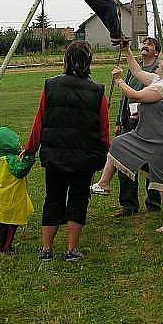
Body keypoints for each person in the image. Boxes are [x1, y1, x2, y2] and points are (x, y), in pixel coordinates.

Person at [24, 41, 109, 261]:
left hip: (55, 155)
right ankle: (71, 250)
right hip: (84, 157)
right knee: (78, 200)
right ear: (89, 61)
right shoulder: (97, 91)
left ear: (66, 60)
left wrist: (30, 149)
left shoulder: (50, 86)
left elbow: (39, 121)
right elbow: (104, 128)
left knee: (53, 198)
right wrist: (102, 155)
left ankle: (46, 249)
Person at [91, 47, 163, 235]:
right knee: (118, 143)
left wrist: (118, 81)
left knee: (161, 181)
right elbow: (137, 72)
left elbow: (136, 95)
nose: (159, 63)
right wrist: (126, 51)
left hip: (160, 139)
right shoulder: (159, 81)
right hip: (149, 135)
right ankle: (104, 184)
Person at [113, 37, 161, 217]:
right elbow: (125, 96)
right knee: (124, 161)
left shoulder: (158, 71)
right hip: (129, 122)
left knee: (152, 163)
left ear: (156, 51)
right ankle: (129, 205)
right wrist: (119, 120)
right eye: (144, 43)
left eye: (150, 44)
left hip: (149, 124)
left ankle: (154, 203)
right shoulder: (135, 69)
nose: (145, 45)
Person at [0, 127, 35, 255]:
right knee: (11, 223)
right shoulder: (10, 160)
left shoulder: (0, 156)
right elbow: (20, 171)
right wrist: (29, 159)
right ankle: (6, 247)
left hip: (1, 194)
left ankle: (1, 245)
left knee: (2, 221)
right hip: (12, 195)